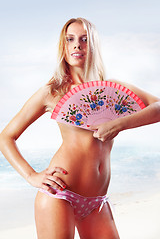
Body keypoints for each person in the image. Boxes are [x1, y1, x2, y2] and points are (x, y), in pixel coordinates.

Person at [0, 17, 160, 239]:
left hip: (97, 202)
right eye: (70, 39)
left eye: (84, 39)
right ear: (63, 46)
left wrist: (118, 124)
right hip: (60, 193)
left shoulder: (113, 90)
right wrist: (31, 175)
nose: (77, 45)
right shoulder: (52, 92)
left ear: (93, 45)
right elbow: (6, 137)